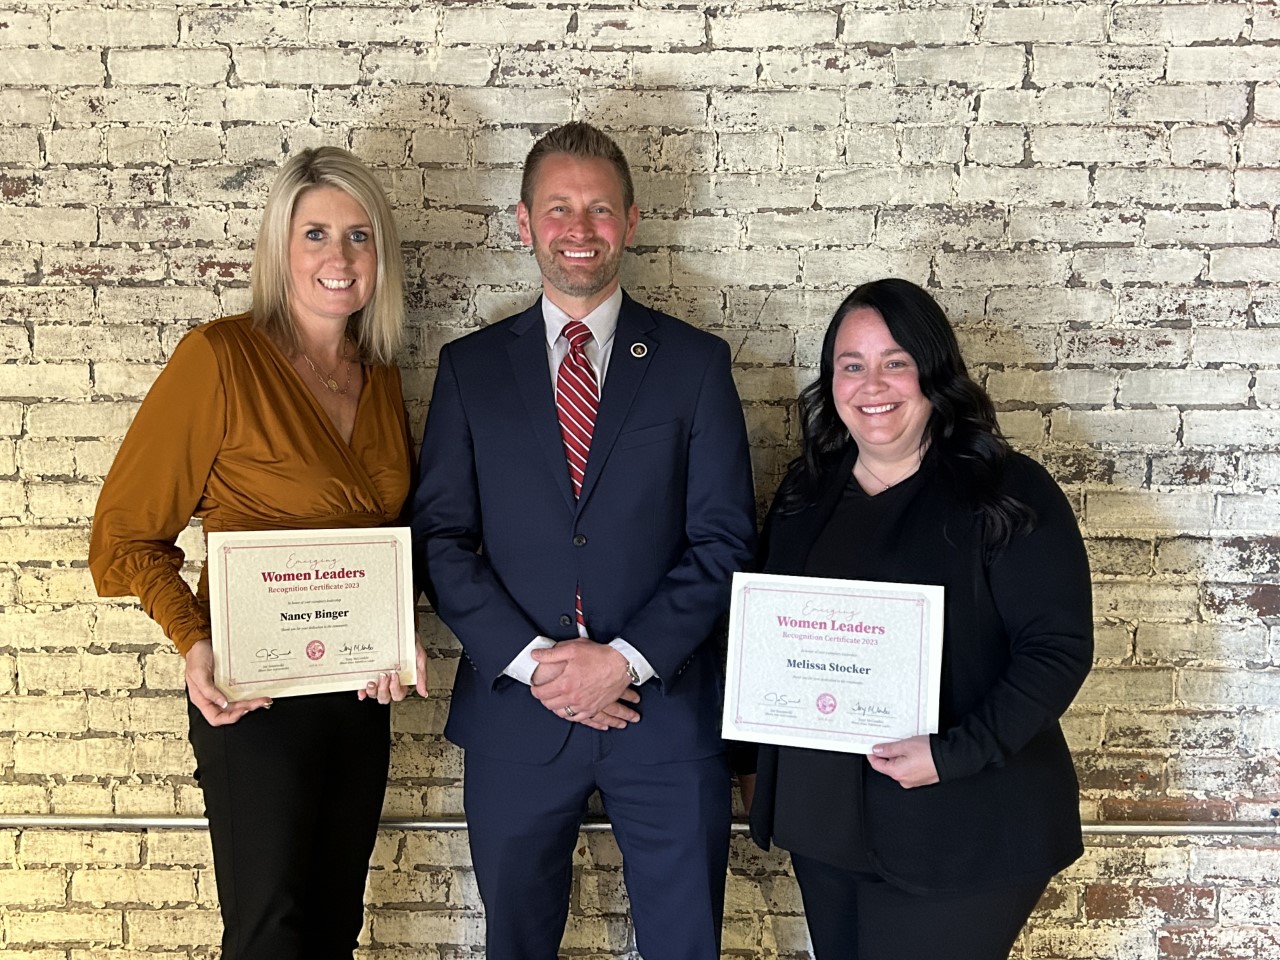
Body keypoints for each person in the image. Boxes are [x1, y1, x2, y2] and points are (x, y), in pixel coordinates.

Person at [411, 121, 756, 960]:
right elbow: (442, 540)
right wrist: (538, 665)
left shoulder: (695, 364)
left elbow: (724, 540)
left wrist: (624, 659)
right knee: (517, 944)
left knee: (686, 946)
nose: (579, 228)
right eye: (558, 208)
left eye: (599, 209)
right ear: (524, 222)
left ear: (631, 222)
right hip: (517, 719)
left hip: (665, 713)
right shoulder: (470, 368)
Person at [89, 146, 427, 960]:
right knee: (270, 935)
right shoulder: (220, 357)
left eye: (357, 235)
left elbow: (387, 536)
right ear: (280, 248)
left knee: (334, 930)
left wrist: (398, 629)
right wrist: (195, 641)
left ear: (380, 253)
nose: (337, 258)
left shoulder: (378, 376)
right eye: (315, 234)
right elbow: (123, 537)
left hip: (357, 693)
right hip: (253, 697)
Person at [745, 277, 1093, 960]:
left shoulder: (1006, 492)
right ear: (832, 380)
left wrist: (949, 753)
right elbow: (766, 636)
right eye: (852, 365)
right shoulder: (806, 492)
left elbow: (1056, 650)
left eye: (895, 362)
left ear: (933, 373)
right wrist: (756, 757)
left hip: (963, 827)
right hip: (825, 826)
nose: (872, 384)